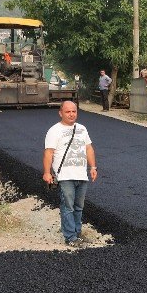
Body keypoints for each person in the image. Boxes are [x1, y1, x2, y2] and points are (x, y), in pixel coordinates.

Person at [42, 101, 98, 245]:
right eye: (68, 112)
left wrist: (93, 167)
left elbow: (89, 149)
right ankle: (70, 237)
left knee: (79, 207)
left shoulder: (82, 129)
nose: (71, 114)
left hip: (81, 175)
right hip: (65, 176)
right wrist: (47, 172)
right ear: (61, 113)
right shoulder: (54, 130)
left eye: (74, 111)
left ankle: (77, 233)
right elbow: (49, 153)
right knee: (68, 207)